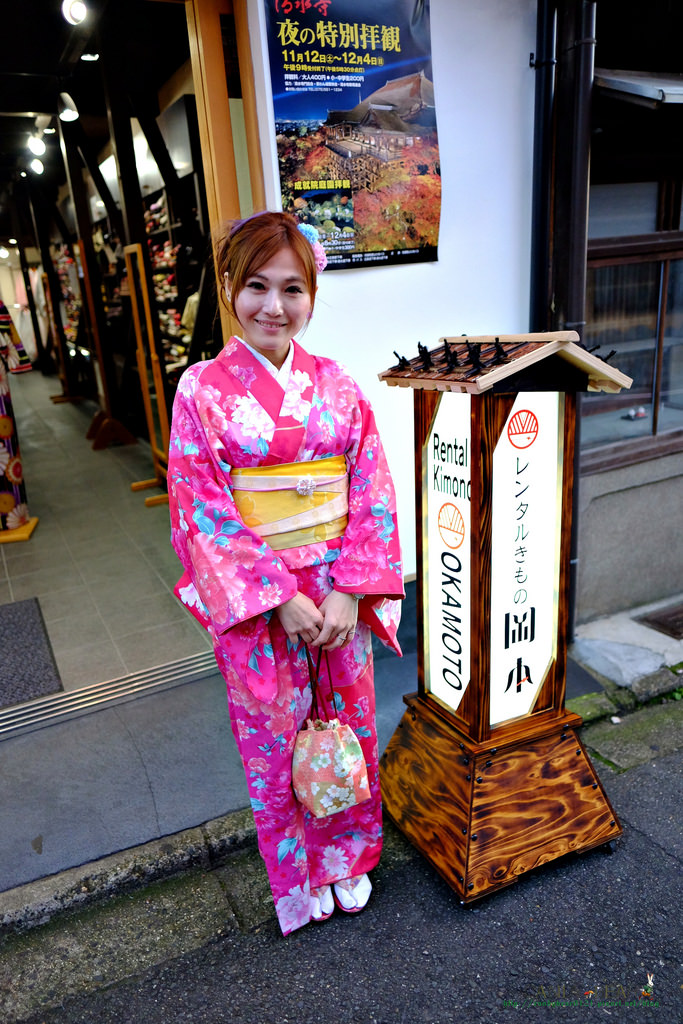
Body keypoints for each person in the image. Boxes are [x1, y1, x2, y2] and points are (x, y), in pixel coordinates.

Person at [167, 211, 403, 935]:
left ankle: (350, 859)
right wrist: (275, 599)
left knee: (349, 727)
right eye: (257, 286)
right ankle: (298, 875)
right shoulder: (201, 391)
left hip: (337, 592)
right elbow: (199, 506)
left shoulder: (337, 384)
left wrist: (348, 590)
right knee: (275, 738)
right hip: (264, 599)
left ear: (311, 295)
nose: (274, 307)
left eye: (292, 289)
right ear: (230, 288)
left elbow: (371, 487)